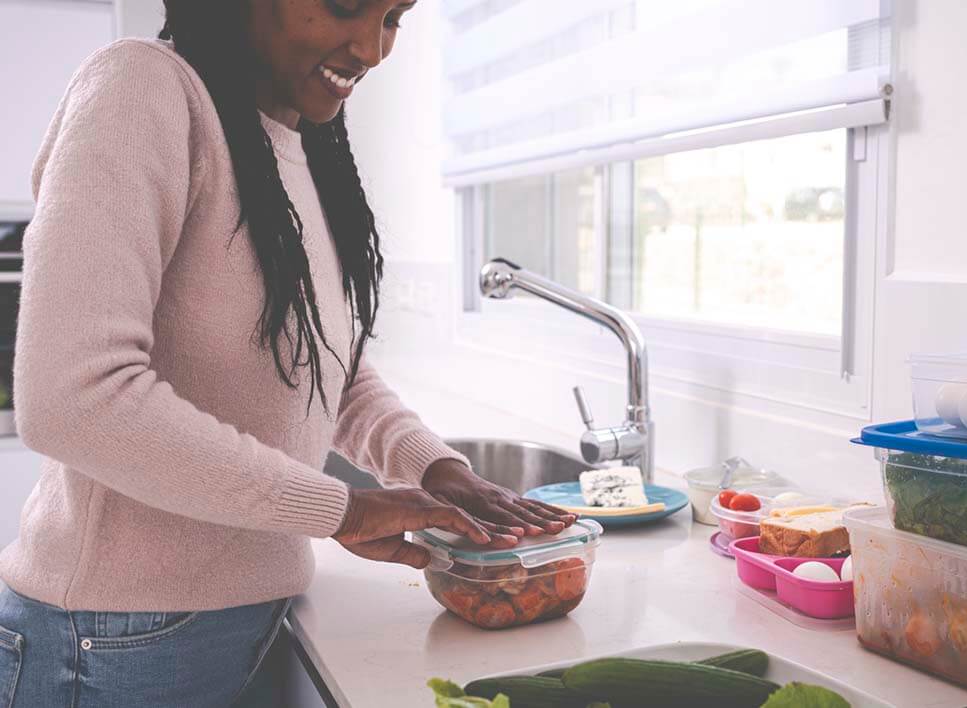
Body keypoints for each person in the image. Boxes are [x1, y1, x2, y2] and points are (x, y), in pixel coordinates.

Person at [0, 1, 575, 705]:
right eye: (346, 6)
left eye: (394, 17)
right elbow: (74, 400)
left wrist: (436, 465)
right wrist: (344, 510)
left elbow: (321, 366)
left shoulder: (293, 140)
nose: (371, 46)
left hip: (250, 616)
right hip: (114, 639)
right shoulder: (141, 88)